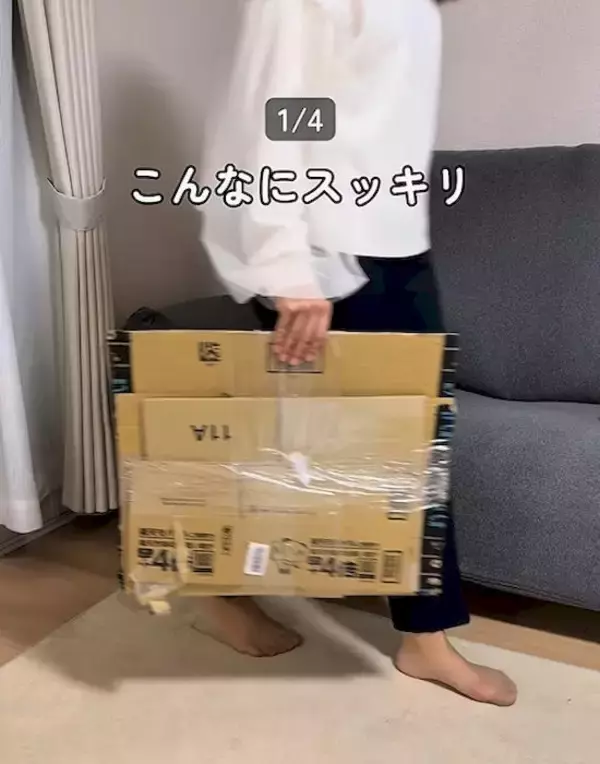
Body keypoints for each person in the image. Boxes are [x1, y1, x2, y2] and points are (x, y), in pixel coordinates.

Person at [200, 0, 517, 707]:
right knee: (310, 445)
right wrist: (288, 269)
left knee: (405, 445)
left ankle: (422, 637)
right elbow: (278, 110)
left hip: (396, 241)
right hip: (326, 253)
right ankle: (221, 592)